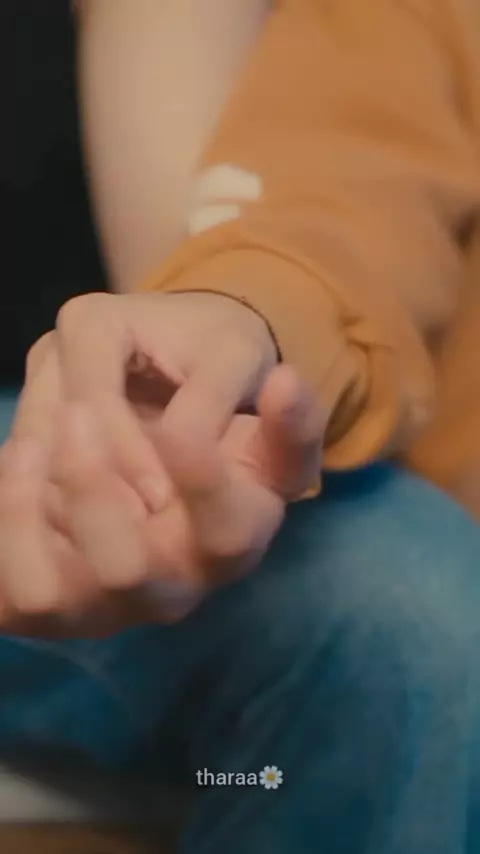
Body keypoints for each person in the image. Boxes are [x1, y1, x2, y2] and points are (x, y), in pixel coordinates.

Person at [1, 1, 480, 851]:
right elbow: (333, 194)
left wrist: (241, 316)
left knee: (412, 614)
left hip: (140, 415)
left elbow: (304, 217)